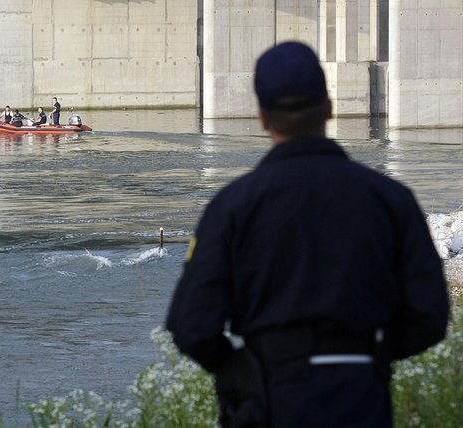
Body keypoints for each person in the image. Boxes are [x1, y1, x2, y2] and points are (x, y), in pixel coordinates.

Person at [166, 41, 449, 428]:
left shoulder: (232, 207)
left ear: (263, 117)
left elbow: (191, 326)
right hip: (360, 397)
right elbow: (430, 316)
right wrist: (372, 357)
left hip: (270, 399)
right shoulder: (390, 200)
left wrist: (239, 370)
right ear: (329, 108)